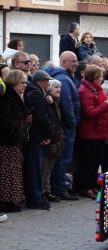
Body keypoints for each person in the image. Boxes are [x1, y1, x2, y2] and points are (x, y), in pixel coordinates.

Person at [46, 51, 80, 200]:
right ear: (63, 62)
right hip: (67, 126)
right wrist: (72, 122)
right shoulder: (64, 80)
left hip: (67, 125)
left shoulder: (66, 78)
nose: (76, 63)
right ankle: (60, 188)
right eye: (73, 61)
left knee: (62, 159)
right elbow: (67, 105)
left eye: (76, 60)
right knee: (62, 159)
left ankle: (60, 187)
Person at [23, 70, 56, 210]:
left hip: (38, 136)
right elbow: (42, 117)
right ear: (42, 81)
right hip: (37, 138)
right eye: (47, 81)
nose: (48, 84)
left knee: (37, 168)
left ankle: (37, 196)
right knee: (36, 169)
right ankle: (35, 198)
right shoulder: (36, 94)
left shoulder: (39, 93)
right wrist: (49, 135)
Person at [78, 65, 108, 199]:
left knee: (96, 161)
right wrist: (105, 105)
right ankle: (85, 187)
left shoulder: (97, 90)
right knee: (88, 162)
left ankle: (92, 185)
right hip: (90, 133)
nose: (101, 79)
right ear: (94, 78)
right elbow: (90, 113)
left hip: (99, 131)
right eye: (100, 76)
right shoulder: (85, 91)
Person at [0, 70, 29, 213]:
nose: (25, 85)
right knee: (8, 171)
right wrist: (15, 131)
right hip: (7, 140)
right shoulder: (7, 96)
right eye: (22, 83)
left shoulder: (15, 95)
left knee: (13, 170)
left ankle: (10, 200)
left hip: (13, 139)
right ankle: (6, 201)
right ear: (14, 82)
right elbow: (4, 118)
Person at [42, 79, 65, 203]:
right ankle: (44, 192)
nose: (59, 89)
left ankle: (47, 191)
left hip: (55, 137)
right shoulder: (48, 101)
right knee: (44, 168)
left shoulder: (56, 102)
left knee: (49, 167)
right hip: (49, 138)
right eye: (56, 87)